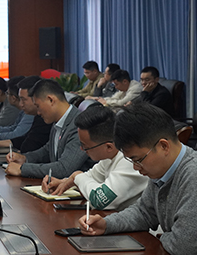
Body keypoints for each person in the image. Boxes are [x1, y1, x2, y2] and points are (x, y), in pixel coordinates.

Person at [79, 103, 197, 255]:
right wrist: (107, 224)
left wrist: (160, 237)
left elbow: (184, 246)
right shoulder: (161, 170)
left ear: (163, 146)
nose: (135, 167)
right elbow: (143, 213)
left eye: (138, 160)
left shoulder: (192, 175)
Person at [42, 106, 148, 210]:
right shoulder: (109, 156)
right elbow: (90, 178)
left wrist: (77, 176)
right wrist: (65, 183)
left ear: (109, 147)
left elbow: (99, 200)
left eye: (85, 146)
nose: (82, 149)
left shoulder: (130, 161)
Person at [5, 79, 92, 178]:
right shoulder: (58, 121)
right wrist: (25, 158)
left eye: (38, 106)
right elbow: (48, 150)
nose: (38, 112)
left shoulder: (79, 125)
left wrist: (22, 169)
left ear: (51, 100)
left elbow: (64, 169)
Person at [0, 76, 52, 153]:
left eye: (23, 100)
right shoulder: (36, 116)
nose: (21, 104)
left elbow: (18, 135)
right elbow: (23, 138)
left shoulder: (38, 117)